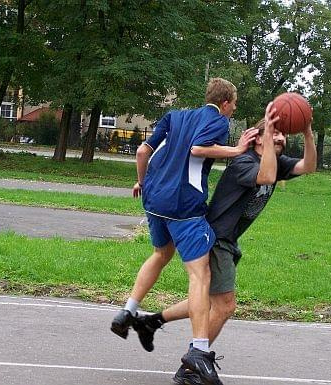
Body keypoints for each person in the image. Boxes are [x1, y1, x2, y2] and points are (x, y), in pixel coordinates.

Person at [130, 102, 317, 385]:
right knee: (225, 305)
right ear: (258, 137)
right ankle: (192, 366)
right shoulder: (244, 164)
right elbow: (265, 176)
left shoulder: (275, 162)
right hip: (217, 238)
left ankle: (151, 321)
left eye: (282, 134)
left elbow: (308, 166)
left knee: (207, 301)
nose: (280, 138)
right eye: (274, 133)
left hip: (228, 240)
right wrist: (265, 135)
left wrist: (307, 132)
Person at [110, 78, 258, 385]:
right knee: (200, 275)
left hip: (154, 200)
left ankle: (127, 312)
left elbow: (142, 152)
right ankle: (200, 351)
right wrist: (238, 148)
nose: (232, 111)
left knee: (161, 254)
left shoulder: (175, 115)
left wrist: (141, 181)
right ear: (226, 103)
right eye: (234, 106)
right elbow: (199, 148)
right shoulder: (217, 120)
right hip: (183, 207)